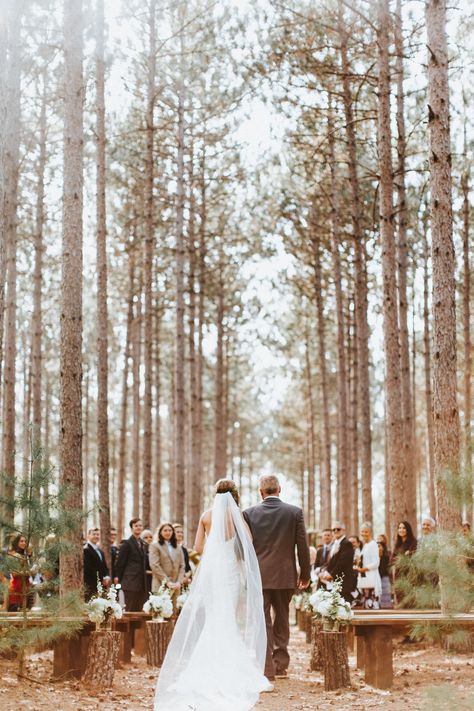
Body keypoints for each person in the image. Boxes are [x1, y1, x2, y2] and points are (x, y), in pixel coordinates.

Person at [154, 479, 272, 710]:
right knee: (228, 616)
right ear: (234, 494)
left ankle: (205, 665)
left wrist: (215, 551)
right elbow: (248, 541)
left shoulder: (207, 516)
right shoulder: (236, 515)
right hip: (231, 573)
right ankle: (231, 666)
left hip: (213, 573)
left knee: (214, 617)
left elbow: (198, 548)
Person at [243, 474, 310, 681]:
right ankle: (281, 666)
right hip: (285, 575)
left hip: (259, 577)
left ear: (260, 491)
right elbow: (303, 546)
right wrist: (305, 574)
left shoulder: (249, 514)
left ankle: (267, 668)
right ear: (279, 489)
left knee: (262, 622)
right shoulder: (294, 512)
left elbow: (245, 548)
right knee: (282, 618)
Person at [114, 517, 148, 611]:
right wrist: (118, 578)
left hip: (142, 583)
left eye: (140, 525)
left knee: (139, 609)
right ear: (132, 528)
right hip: (130, 582)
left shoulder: (143, 544)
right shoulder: (127, 544)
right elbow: (120, 563)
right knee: (130, 608)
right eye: (136, 526)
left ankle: (137, 626)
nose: (138, 527)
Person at [320, 521, 354, 602]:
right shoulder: (335, 544)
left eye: (338, 529)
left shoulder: (347, 543)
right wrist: (325, 572)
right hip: (334, 581)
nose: (335, 531)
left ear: (343, 530)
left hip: (343, 581)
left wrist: (331, 574)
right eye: (333, 529)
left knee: (343, 606)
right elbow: (331, 561)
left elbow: (342, 562)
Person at [149, 523, 185, 599]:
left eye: (170, 530)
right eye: (165, 530)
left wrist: (179, 582)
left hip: (176, 587)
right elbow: (154, 565)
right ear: (160, 532)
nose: (168, 532)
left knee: (174, 610)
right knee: (161, 610)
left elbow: (182, 566)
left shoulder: (178, 547)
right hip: (160, 585)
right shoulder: (155, 546)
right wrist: (167, 582)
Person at [353, 522, 381, 608]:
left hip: (371, 577)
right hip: (364, 578)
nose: (364, 534)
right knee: (365, 605)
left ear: (370, 532)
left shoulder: (373, 544)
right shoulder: (365, 545)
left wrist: (363, 569)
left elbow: (376, 563)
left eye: (366, 532)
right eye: (362, 531)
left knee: (372, 605)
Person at [391, 520, 417, 607]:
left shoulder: (413, 542)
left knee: (409, 599)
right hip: (399, 575)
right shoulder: (397, 544)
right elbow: (392, 559)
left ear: (408, 530)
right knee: (400, 598)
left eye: (403, 528)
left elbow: (413, 557)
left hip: (409, 575)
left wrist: (406, 556)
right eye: (399, 528)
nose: (401, 530)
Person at [7, 534, 33, 612]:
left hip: (26, 587)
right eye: (21, 541)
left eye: (25, 541)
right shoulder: (15, 555)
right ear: (16, 542)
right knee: (14, 613)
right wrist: (28, 572)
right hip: (16, 588)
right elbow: (14, 573)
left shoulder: (25, 555)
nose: (24, 543)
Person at [83, 527, 110, 600]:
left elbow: (103, 566)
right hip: (91, 583)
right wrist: (101, 578)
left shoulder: (100, 551)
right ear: (88, 536)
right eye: (94, 534)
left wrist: (107, 576)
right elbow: (88, 568)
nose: (96, 536)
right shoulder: (86, 550)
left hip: (101, 585)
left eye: (98, 534)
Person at [378, 540, 392, 608]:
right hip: (377, 577)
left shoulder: (386, 557)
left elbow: (384, 569)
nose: (377, 548)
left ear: (383, 547)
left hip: (384, 577)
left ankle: (387, 607)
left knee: (385, 594)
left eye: (379, 546)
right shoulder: (375, 557)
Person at [141, 529, 153, 593]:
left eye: (151, 537)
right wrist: (152, 572)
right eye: (146, 537)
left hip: (154, 579)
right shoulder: (142, 550)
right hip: (145, 579)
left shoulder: (154, 549)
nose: (149, 539)